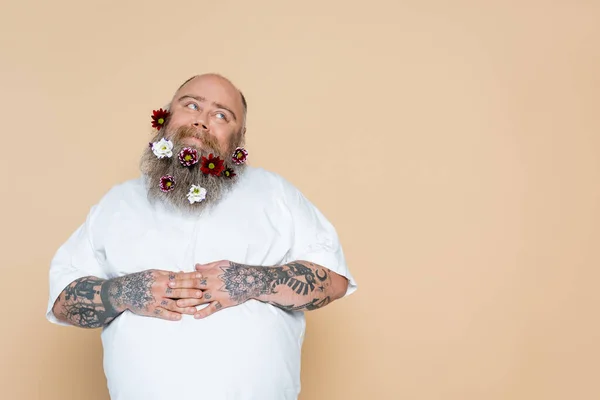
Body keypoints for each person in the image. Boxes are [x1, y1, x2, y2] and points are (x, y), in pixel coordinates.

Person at [46, 73, 357, 400]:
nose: (202, 121)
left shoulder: (277, 194)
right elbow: (63, 301)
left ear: (238, 136)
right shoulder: (116, 202)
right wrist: (122, 291)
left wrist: (250, 280)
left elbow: (333, 280)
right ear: (166, 116)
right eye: (191, 105)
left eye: (222, 115)